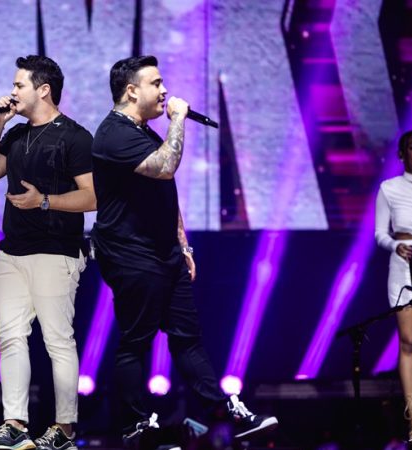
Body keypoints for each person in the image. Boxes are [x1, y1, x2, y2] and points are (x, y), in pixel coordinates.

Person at [90, 56, 278, 446]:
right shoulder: (113, 133)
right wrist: (177, 118)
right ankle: (136, 425)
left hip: (165, 252)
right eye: (156, 83)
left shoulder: (142, 132)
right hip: (129, 253)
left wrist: (183, 244)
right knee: (137, 340)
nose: (165, 91)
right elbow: (165, 168)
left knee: (187, 337)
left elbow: (164, 192)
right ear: (131, 91)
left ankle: (224, 412)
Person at [0, 55, 96, 450]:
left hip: (56, 250)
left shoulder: (75, 137)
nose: (12, 92)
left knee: (58, 341)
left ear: (44, 90)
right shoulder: (15, 134)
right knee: (10, 337)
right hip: (13, 251)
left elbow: (93, 197)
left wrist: (43, 201)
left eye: (19, 85)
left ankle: (64, 429)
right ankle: (15, 425)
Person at [375, 129, 412, 449]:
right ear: (402, 154)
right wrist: (395, 245)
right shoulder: (390, 188)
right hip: (405, 265)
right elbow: (380, 233)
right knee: (410, 341)